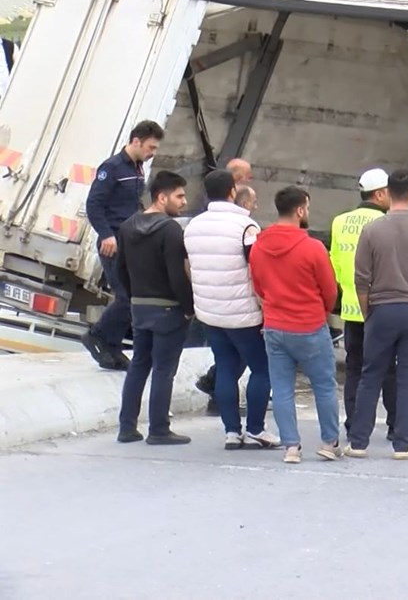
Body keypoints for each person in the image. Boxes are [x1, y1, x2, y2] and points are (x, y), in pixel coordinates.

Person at [346, 168, 408, 460]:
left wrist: (368, 312)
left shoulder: (371, 230)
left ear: (387, 193)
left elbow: (360, 279)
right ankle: (402, 444)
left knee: (370, 375)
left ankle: (358, 443)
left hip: (381, 310)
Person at [183, 170, 279, 450]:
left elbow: (189, 264)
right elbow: (257, 268)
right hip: (244, 312)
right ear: (232, 192)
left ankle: (231, 433)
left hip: (210, 311)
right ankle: (255, 430)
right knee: (262, 369)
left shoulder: (193, 226)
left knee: (225, 366)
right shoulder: (245, 226)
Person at [249, 186, 342, 464]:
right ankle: (329, 442)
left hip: (275, 326)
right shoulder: (312, 247)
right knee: (324, 385)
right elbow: (329, 291)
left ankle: (291, 446)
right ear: (300, 210)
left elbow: (260, 287)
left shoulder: (258, 246)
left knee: (282, 388)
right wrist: (320, 311)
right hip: (310, 324)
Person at [114, 170, 193, 445]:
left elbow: (120, 269)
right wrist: (188, 307)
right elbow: (177, 275)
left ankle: (127, 427)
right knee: (163, 369)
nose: (184, 202)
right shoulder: (170, 229)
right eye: (179, 196)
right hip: (169, 308)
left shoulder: (126, 227)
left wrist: (133, 296)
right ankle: (158, 429)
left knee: (138, 365)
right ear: (162, 197)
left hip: (140, 306)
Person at [83, 120, 164, 371]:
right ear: (136, 141)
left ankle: (112, 347)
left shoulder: (138, 167)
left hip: (130, 240)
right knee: (127, 296)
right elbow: (94, 205)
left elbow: (131, 205)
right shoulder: (112, 168)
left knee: (135, 296)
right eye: (150, 147)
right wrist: (106, 235)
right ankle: (97, 336)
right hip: (113, 242)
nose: (153, 153)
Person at [331, 168, 398, 441]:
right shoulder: (389, 223)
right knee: (389, 369)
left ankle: (354, 426)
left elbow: (334, 263)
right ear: (380, 193)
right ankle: (396, 426)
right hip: (383, 309)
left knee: (356, 369)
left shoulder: (340, 222)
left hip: (352, 310)